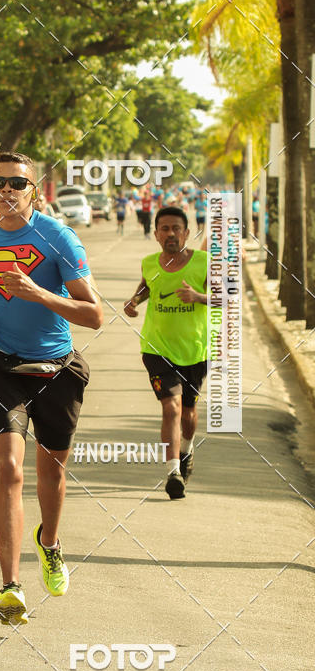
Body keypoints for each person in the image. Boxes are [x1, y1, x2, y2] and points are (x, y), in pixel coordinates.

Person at [0, 152, 103, 625]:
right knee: (9, 470)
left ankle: (50, 543)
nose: (7, 190)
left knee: (51, 473)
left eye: (17, 183)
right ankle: (10, 587)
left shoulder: (57, 238)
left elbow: (94, 315)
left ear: (34, 190)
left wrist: (38, 293)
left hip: (56, 368)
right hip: (1, 365)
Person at [124, 205, 208, 500]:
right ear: (156, 234)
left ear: (186, 233)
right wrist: (134, 301)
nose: (171, 234)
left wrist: (198, 297)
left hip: (195, 349)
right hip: (156, 348)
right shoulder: (149, 263)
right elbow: (147, 286)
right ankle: (173, 472)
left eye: (176, 229)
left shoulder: (204, 262)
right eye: (165, 229)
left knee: (188, 411)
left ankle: (186, 449)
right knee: (171, 407)